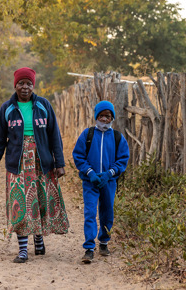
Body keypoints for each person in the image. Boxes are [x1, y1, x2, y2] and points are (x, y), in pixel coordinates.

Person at [0, 67, 69, 263]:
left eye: (29, 83)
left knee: (39, 201)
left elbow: (54, 136)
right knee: (20, 204)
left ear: (34, 85)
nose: (25, 87)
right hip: (18, 163)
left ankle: (39, 239)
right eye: (21, 83)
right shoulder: (7, 108)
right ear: (15, 85)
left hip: (42, 162)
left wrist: (60, 163)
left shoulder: (44, 105)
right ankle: (23, 249)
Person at [72, 100, 130, 264]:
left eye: (108, 116)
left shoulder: (118, 138)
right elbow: (78, 156)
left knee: (107, 212)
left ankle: (104, 242)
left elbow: (123, 159)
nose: (105, 119)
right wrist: (90, 173)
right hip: (90, 181)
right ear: (97, 116)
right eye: (102, 116)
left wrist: (109, 173)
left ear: (112, 118)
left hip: (108, 181)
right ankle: (89, 247)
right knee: (90, 212)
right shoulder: (87, 135)